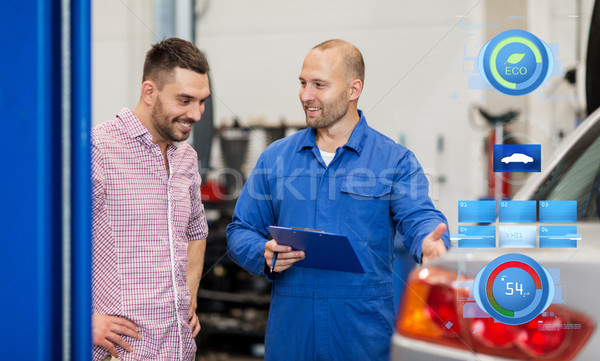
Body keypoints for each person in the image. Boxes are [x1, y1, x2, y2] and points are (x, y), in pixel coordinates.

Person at [226, 39, 450, 360]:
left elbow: (420, 217)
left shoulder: (393, 160)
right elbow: (240, 231)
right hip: (292, 334)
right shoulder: (276, 159)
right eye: (303, 83)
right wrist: (261, 252)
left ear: (353, 89)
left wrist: (430, 244)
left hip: (363, 336)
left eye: (319, 85)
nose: (306, 95)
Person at [91, 38, 210, 361]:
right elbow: (46, 246)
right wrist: (79, 320)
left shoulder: (186, 157)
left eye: (202, 101)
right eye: (185, 100)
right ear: (149, 92)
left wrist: (188, 296)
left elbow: (196, 232)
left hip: (177, 349)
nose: (196, 113)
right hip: (120, 352)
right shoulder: (97, 149)